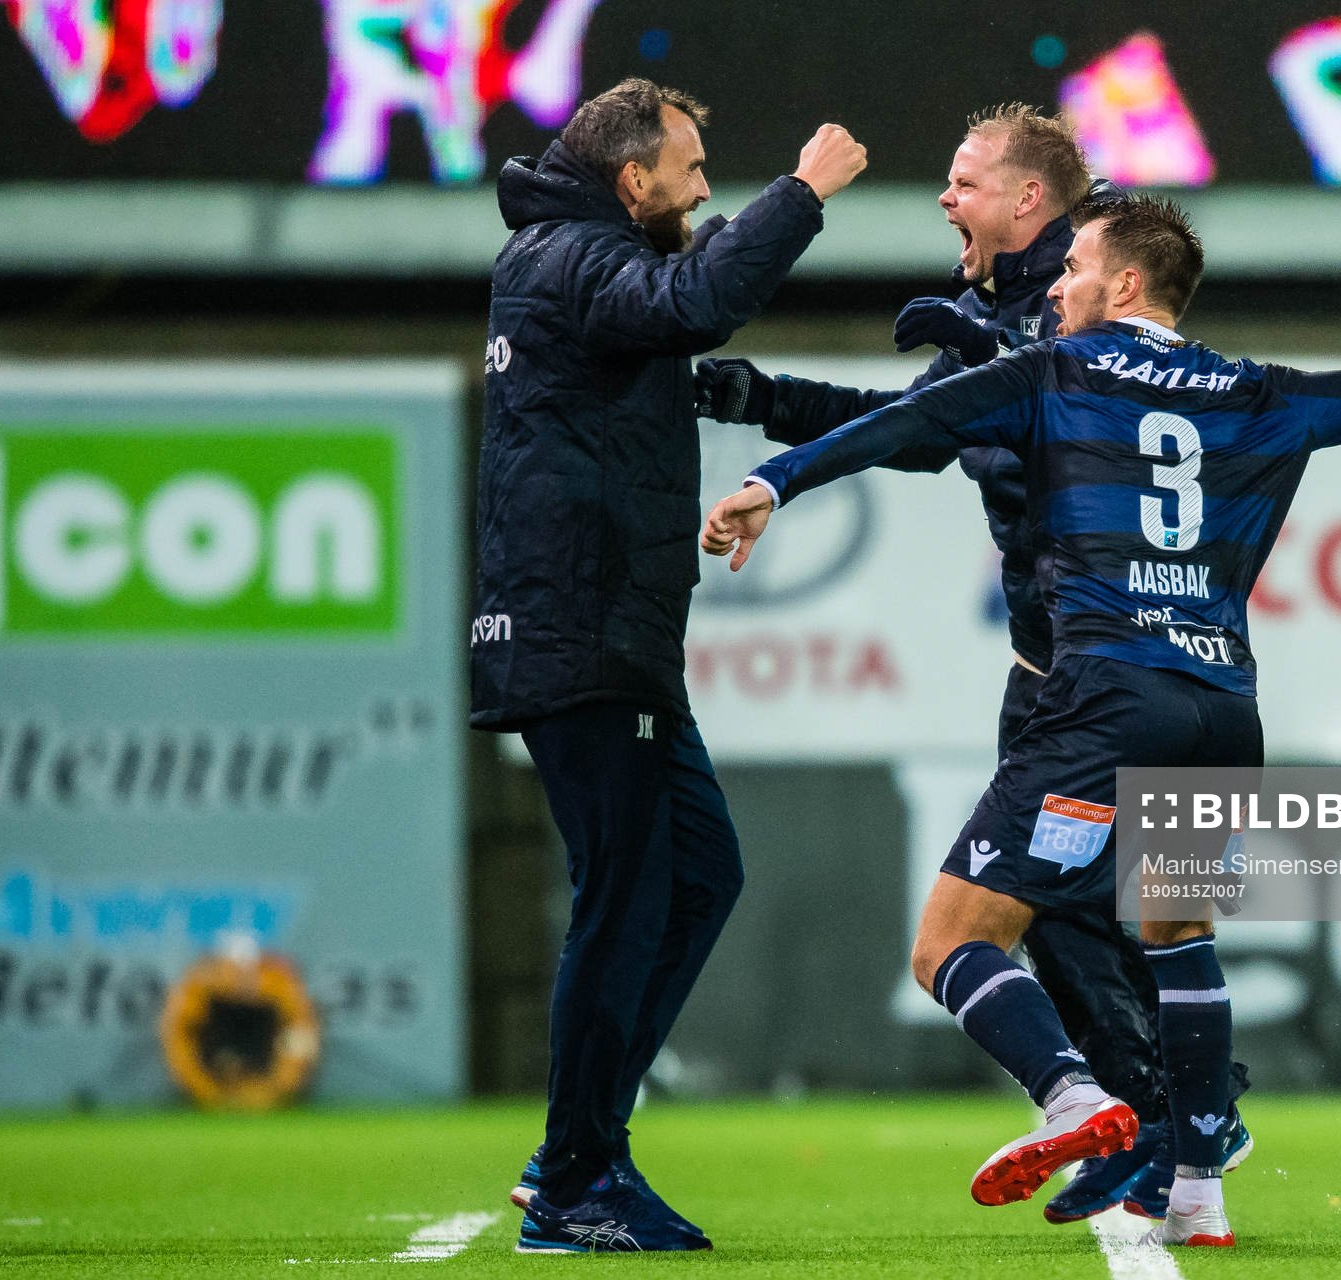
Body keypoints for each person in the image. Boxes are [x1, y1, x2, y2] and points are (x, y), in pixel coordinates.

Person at [701, 195, 1341, 1247]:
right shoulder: (1263, 391)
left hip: (1107, 702)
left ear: (1128, 285)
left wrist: (772, 478)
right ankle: (1199, 1190)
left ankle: (1068, 1093)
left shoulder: (1056, 372)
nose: (1054, 284)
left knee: (952, 942)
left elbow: (907, 426)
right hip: (1221, 707)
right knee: (1178, 939)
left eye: (1075, 268)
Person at [694, 103, 1246, 1225]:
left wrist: (792, 466)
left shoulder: (1092, 284)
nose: (946, 200)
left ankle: (1157, 1108)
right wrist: (770, 410)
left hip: (1104, 668)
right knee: (1083, 905)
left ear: (1030, 200)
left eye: (964, 182)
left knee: (1053, 908)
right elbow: (923, 425)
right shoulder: (1002, 309)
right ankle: (1161, 1118)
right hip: (1075, 664)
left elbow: (1082, 392)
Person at [467, 76, 865, 1254]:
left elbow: (724, 378)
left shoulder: (583, 282)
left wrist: (929, 418)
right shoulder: (564, 260)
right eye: (691, 170)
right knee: (627, 894)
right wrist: (802, 192)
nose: (705, 189)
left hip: (613, 637)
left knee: (696, 876)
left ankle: (576, 1147)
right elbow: (702, 302)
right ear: (632, 178)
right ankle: (580, 1172)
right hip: (581, 634)